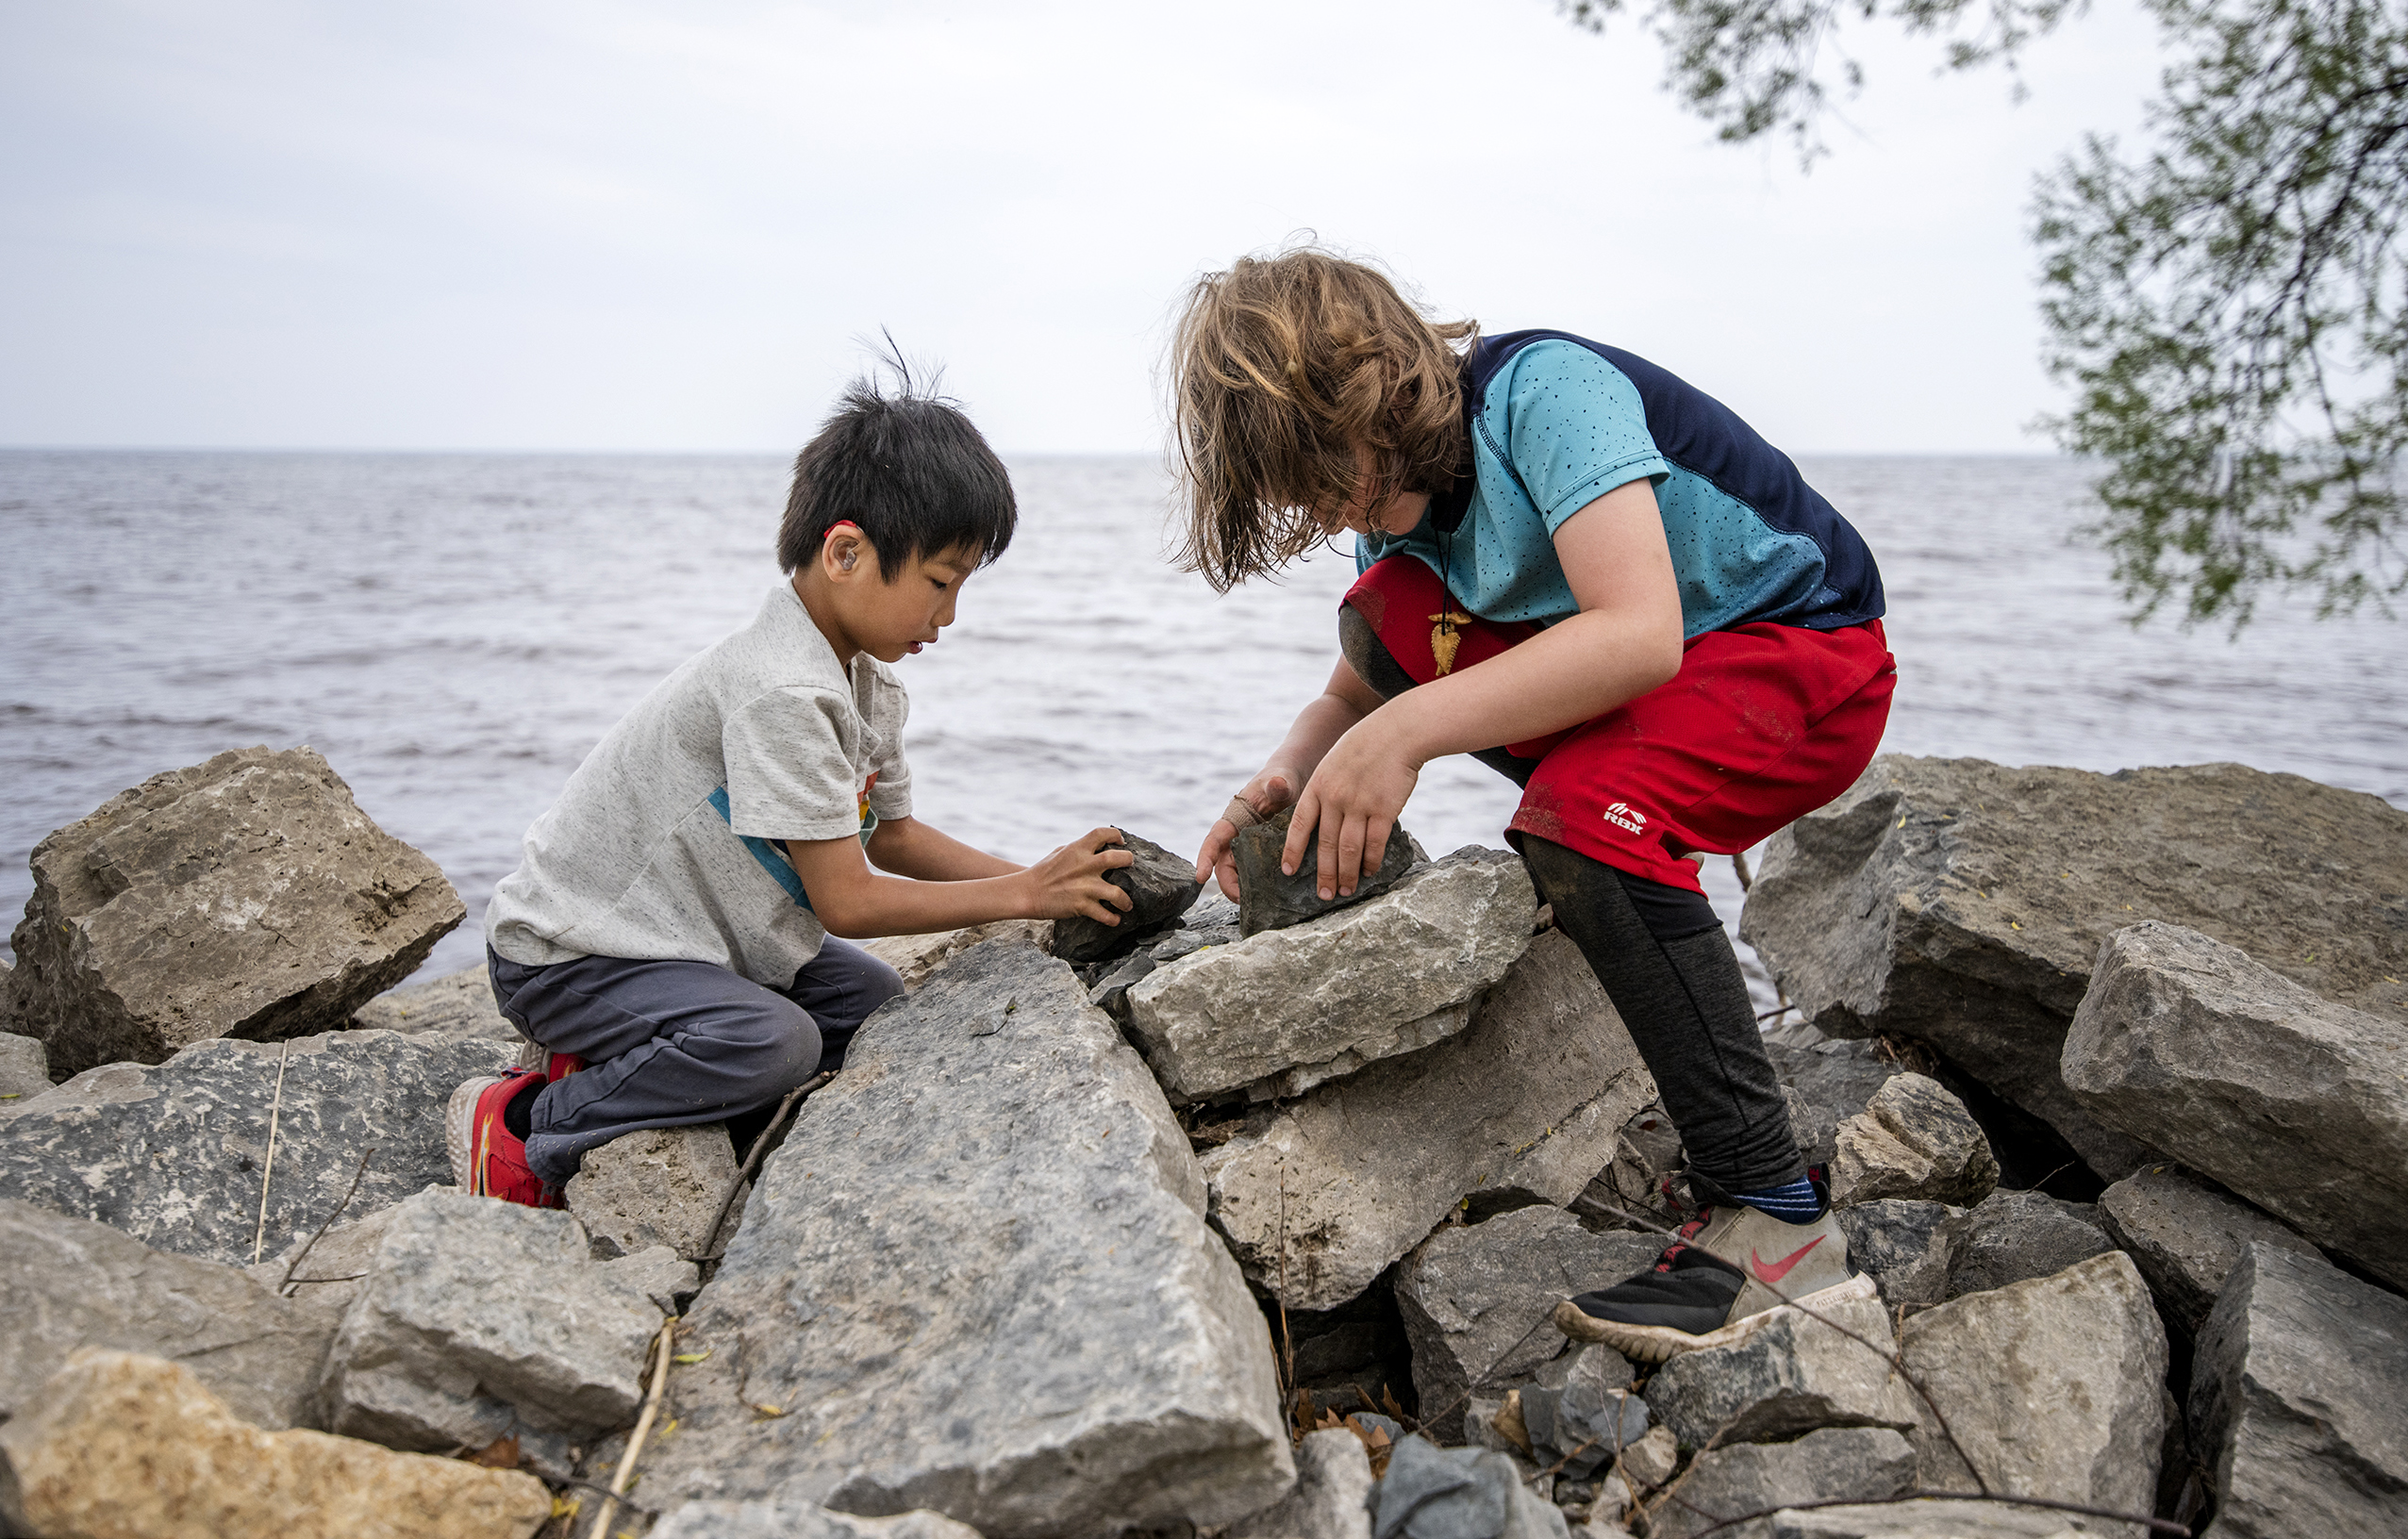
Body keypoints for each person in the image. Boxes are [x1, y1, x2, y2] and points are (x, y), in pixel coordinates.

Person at [1173, 248, 1896, 1361]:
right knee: (1386, 614)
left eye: (1323, 466)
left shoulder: (1542, 394)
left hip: (1804, 657)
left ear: (1372, 379)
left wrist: (1405, 735)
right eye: (1297, 491)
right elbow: (1356, 690)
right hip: (1672, 689)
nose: (1320, 506)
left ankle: (1779, 1224)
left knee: (1581, 824)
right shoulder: (1393, 531)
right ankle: (1617, 879)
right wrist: (1279, 782)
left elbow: (1640, 630)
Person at [460, 369, 1137, 1208]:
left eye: (962, 586)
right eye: (938, 581)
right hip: (575, 953)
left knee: (871, 1003)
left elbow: (892, 837)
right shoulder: (781, 689)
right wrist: (1026, 895)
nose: (950, 616)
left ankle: (643, 1058)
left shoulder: (864, 683)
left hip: (694, 943)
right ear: (845, 552)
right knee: (774, 1045)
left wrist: (1046, 880)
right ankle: (527, 1122)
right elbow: (848, 902)